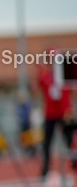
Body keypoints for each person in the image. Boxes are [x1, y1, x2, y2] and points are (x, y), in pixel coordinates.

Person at [37, 50, 76, 179]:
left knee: (70, 141)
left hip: (64, 114)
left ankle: (75, 165)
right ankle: (46, 169)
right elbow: (39, 84)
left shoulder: (66, 75)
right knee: (47, 143)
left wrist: (69, 111)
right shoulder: (46, 76)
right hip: (50, 115)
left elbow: (70, 92)